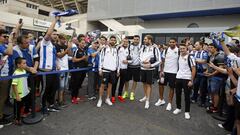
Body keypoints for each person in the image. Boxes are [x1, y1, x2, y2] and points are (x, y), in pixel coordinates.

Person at [39, 17, 61, 115]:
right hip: (45, 71)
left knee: (54, 88)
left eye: (56, 34)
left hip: (53, 71)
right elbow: (48, 33)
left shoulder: (53, 45)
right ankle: (43, 107)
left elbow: (54, 57)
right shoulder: (45, 42)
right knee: (45, 90)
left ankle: (51, 105)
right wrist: (55, 20)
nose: (56, 35)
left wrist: (57, 65)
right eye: (54, 34)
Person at [172, 43, 196, 120]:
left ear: (187, 49)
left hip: (187, 79)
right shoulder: (179, 56)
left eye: (183, 48)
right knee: (178, 94)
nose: (182, 50)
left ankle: (187, 112)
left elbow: (194, 69)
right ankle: (178, 108)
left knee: (187, 96)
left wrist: (191, 80)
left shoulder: (190, 57)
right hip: (179, 78)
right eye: (180, 48)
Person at [156, 38, 179, 111]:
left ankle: (169, 103)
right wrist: (161, 70)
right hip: (165, 72)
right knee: (160, 85)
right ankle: (161, 99)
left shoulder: (178, 50)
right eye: (170, 42)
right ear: (168, 43)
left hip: (174, 73)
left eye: (173, 42)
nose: (171, 43)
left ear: (176, 43)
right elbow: (162, 61)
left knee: (171, 88)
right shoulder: (166, 50)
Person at [97, 35, 119, 107]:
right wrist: (100, 69)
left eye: (114, 40)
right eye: (111, 40)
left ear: (115, 41)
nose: (113, 41)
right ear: (109, 41)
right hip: (105, 70)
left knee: (110, 85)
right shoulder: (104, 49)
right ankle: (100, 99)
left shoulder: (116, 50)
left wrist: (118, 70)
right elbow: (101, 59)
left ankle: (107, 99)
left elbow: (117, 61)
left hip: (113, 71)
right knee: (102, 86)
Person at [139, 35, 161, 109]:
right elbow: (140, 57)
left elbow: (159, 60)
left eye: (145, 39)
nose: (144, 40)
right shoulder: (143, 47)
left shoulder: (155, 48)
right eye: (144, 39)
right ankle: (145, 96)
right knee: (144, 83)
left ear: (150, 40)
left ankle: (147, 101)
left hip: (150, 70)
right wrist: (142, 62)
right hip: (142, 68)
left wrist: (151, 65)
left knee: (149, 85)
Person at [0, 28, 15, 126]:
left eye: (6, 36)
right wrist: (10, 40)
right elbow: (10, 52)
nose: (6, 38)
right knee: (2, 97)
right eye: (4, 36)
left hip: (3, 74)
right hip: (2, 75)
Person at [204, 43, 225, 113]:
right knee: (211, 92)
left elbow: (220, 68)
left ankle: (215, 107)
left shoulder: (220, 56)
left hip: (217, 77)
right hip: (210, 76)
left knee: (215, 92)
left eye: (211, 47)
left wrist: (212, 74)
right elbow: (209, 65)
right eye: (209, 47)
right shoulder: (210, 55)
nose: (209, 49)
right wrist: (207, 71)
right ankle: (213, 105)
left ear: (215, 48)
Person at [11, 57, 30, 125]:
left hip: (25, 92)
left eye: (25, 63)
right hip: (19, 94)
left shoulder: (24, 71)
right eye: (24, 63)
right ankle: (16, 119)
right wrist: (17, 96)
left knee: (22, 105)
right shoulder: (16, 73)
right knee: (17, 108)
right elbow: (14, 85)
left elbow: (24, 80)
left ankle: (21, 115)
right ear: (18, 65)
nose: (25, 65)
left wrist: (27, 88)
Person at [111, 37, 131, 103]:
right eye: (124, 41)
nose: (125, 43)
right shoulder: (118, 48)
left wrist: (128, 61)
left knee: (122, 83)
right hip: (117, 69)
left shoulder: (129, 49)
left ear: (128, 43)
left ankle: (119, 95)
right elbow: (115, 59)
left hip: (125, 69)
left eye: (126, 42)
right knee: (114, 83)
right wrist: (118, 70)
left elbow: (131, 60)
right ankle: (113, 96)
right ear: (122, 42)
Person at [123, 35, 141, 101]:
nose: (136, 40)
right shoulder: (129, 46)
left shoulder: (142, 46)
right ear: (133, 40)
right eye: (135, 39)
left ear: (139, 40)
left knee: (135, 80)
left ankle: (132, 93)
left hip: (137, 66)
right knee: (126, 80)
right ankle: (126, 92)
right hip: (129, 66)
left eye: (137, 39)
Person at [56, 34, 71, 107]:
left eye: (65, 39)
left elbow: (70, 54)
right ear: (59, 39)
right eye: (63, 39)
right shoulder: (56, 46)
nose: (64, 40)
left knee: (64, 86)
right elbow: (59, 55)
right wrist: (67, 50)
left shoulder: (65, 46)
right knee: (61, 86)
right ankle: (60, 101)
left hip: (66, 68)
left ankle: (62, 99)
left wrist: (69, 48)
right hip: (60, 69)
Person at [192, 41, 209, 106]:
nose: (195, 46)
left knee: (202, 88)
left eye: (196, 45)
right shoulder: (195, 52)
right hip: (197, 72)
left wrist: (195, 60)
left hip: (203, 72)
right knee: (195, 86)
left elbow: (204, 61)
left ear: (200, 45)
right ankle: (194, 98)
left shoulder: (204, 53)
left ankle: (203, 102)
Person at [71, 39, 88, 104]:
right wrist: (82, 58)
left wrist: (86, 59)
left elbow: (85, 60)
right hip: (77, 70)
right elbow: (73, 60)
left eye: (84, 43)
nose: (83, 44)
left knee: (79, 84)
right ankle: (73, 98)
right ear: (79, 43)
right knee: (75, 84)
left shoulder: (84, 51)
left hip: (83, 70)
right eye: (82, 43)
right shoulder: (77, 50)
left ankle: (76, 96)